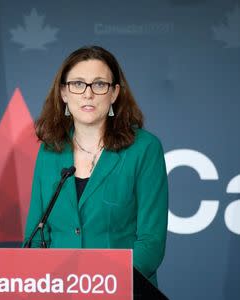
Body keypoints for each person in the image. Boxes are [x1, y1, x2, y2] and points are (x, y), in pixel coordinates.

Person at [23, 45, 168, 288]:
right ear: (63, 93)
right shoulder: (50, 151)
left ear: (114, 94)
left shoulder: (144, 148)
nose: (88, 94)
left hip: (123, 289)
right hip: (58, 291)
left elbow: (150, 243)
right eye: (78, 84)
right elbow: (35, 237)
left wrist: (102, 285)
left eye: (99, 84)